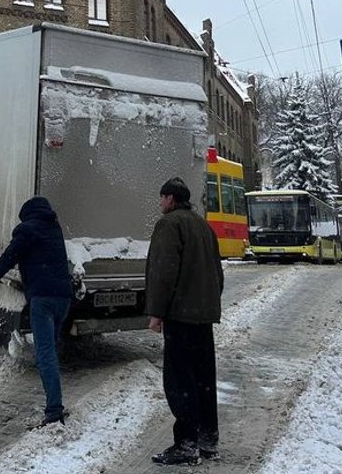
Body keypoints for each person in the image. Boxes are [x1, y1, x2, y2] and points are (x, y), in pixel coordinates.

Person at [146, 177, 223, 466]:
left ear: (170, 199)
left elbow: (163, 271)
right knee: (204, 379)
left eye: (162, 197)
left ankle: (186, 443)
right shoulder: (203, 226)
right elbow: (217, 272)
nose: (160, 203)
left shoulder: (169, 224)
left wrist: (156, 312)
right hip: (203, 316)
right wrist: (208, 304)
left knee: (181, 381)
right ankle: (207, 438)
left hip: (180, 316)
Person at [0, 196, 74, 429]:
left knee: (45, 354)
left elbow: (8, 258)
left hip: (42, 300)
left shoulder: (26, 230)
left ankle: (54, 411)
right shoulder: (54, 228)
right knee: (50, 351)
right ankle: (55, 402)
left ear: (26, 215)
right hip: (63, 298)